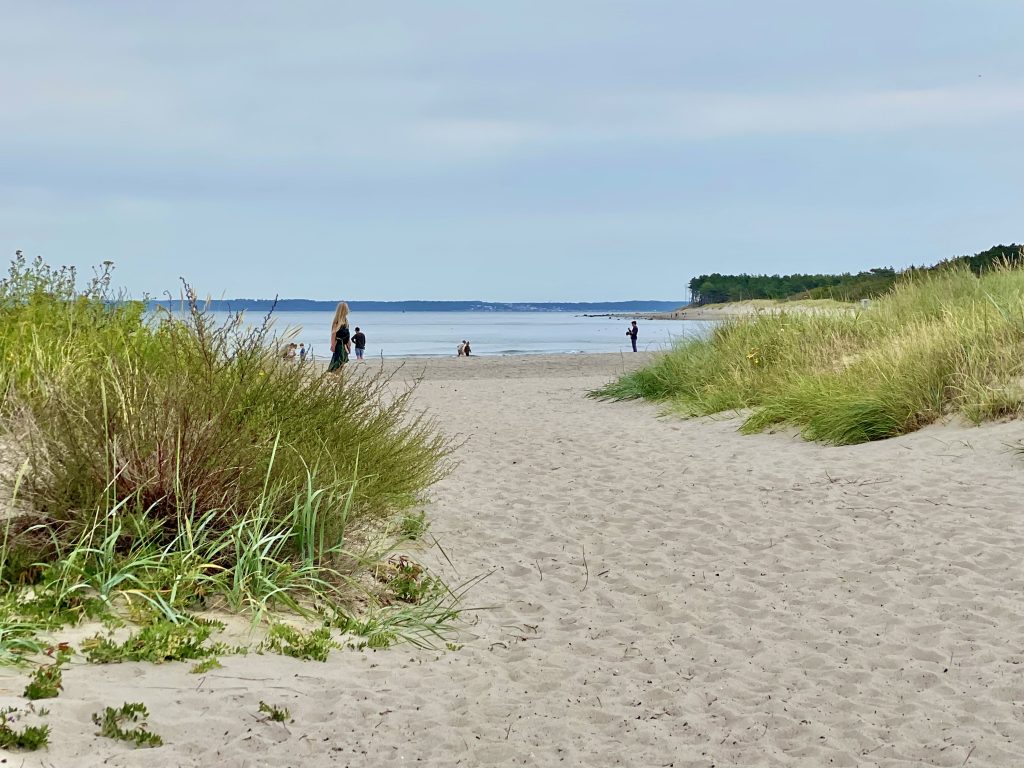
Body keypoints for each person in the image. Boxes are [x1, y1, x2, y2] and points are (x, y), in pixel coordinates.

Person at [328, 301, 350, 372]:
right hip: (339, 345)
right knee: (337, 364)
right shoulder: (337, 321)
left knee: (341, 364)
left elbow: (347, 335)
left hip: (344, 346)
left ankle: (337, 379)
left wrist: (348, 345)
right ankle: (335, 379)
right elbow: (333, 335)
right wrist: (333, 345)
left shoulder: (346, 321)